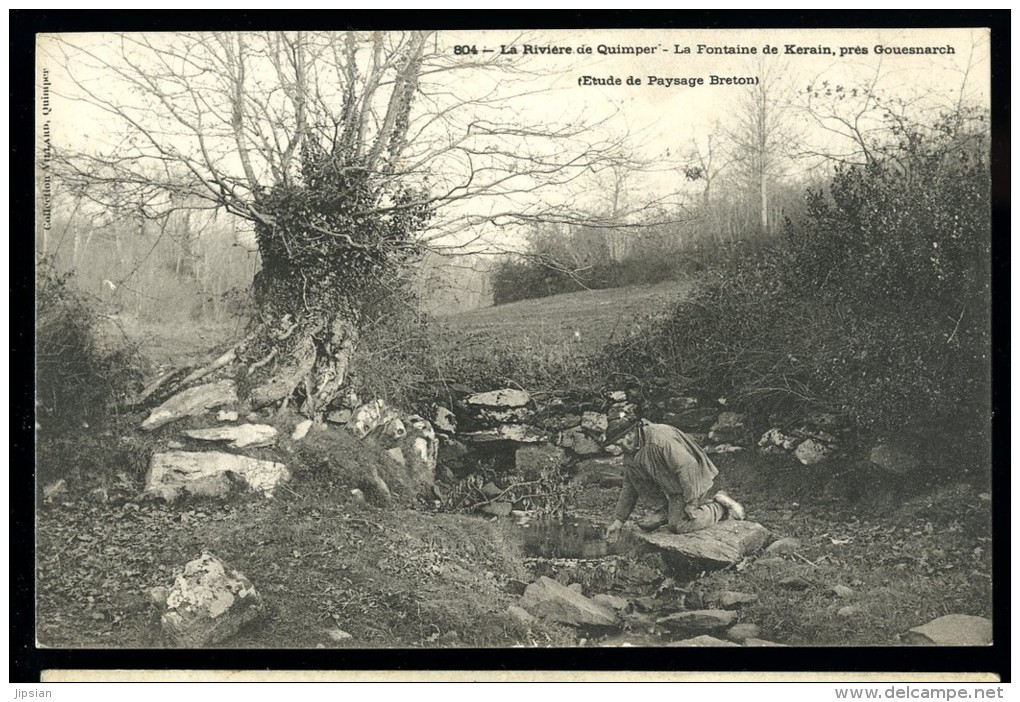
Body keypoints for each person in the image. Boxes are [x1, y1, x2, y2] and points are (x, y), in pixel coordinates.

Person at [604, 416, 745, 542]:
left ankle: (720, 507)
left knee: (679, 525)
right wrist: (618, 521)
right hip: (678, 487)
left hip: (699, 480)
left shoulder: (660, 439)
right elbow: (630, 485)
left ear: (631, 433)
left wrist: (692, 502)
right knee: (634, 473)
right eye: (616, 443)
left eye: (619, 441)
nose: (619, 446)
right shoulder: (631, 451)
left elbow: (688, 467)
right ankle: (663, 510)